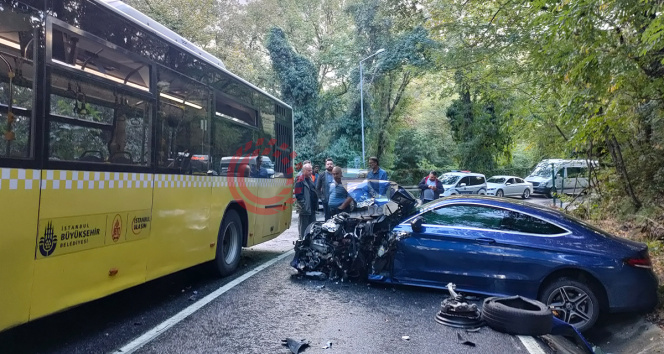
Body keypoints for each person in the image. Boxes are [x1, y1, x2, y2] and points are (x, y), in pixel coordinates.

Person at [294, 163, 318, 238]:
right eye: (308, 171)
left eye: (311, 170)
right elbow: (298, 195)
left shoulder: (310, 179)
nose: (310, 172)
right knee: (303, 228)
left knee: (312, 227)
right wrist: (304, 206)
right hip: (305, 208)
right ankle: (302, 243)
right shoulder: (300, 179)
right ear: (304, 170)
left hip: (312, 208)